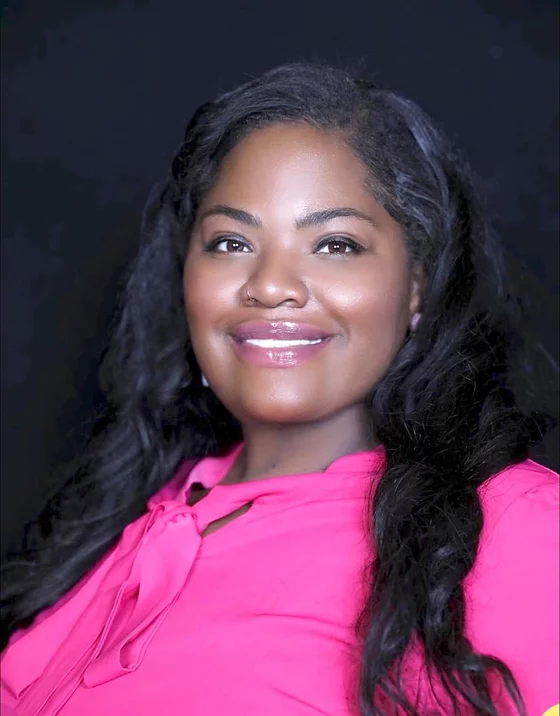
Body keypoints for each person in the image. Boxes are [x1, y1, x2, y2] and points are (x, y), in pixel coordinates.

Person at [0, 63, 558, 716]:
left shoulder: (516, 528)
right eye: (231, 242)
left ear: (416, 287)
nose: (270, 285)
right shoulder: (121, 520)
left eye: (336, 245)